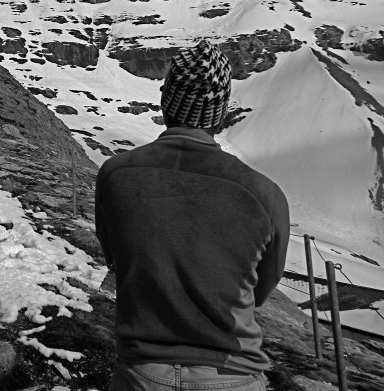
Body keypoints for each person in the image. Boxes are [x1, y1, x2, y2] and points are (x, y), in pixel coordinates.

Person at [95, 39, 289, 391]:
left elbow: (119, 260)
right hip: (232, 374)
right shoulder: (264, 195)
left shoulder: (115, 175)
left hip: (141, 371)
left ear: (165, 101)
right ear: (220, 112)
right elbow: (258, 292)